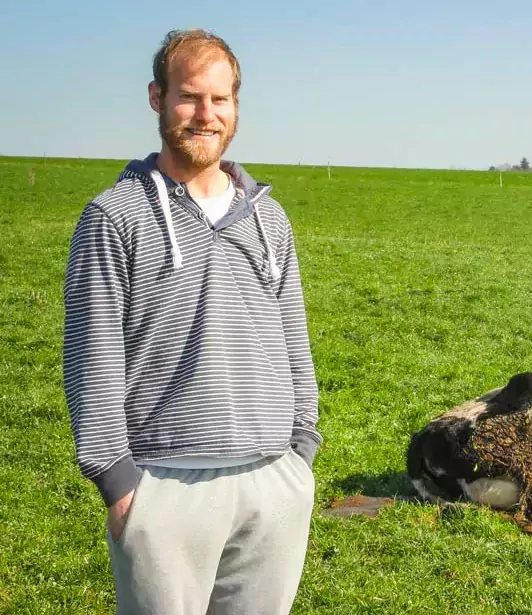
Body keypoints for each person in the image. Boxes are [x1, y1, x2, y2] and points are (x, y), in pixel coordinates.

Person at [62, 28, 321, 614]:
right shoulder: (112, 217)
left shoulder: (268, 217)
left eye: (220, 99)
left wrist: (299, 450)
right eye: (189, 97)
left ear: (235, 107)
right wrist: (119, 482)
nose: (205, 114)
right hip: (163, 486)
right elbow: (90, 358)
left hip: (271, 482)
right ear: (157, 97)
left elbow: (293, 339)